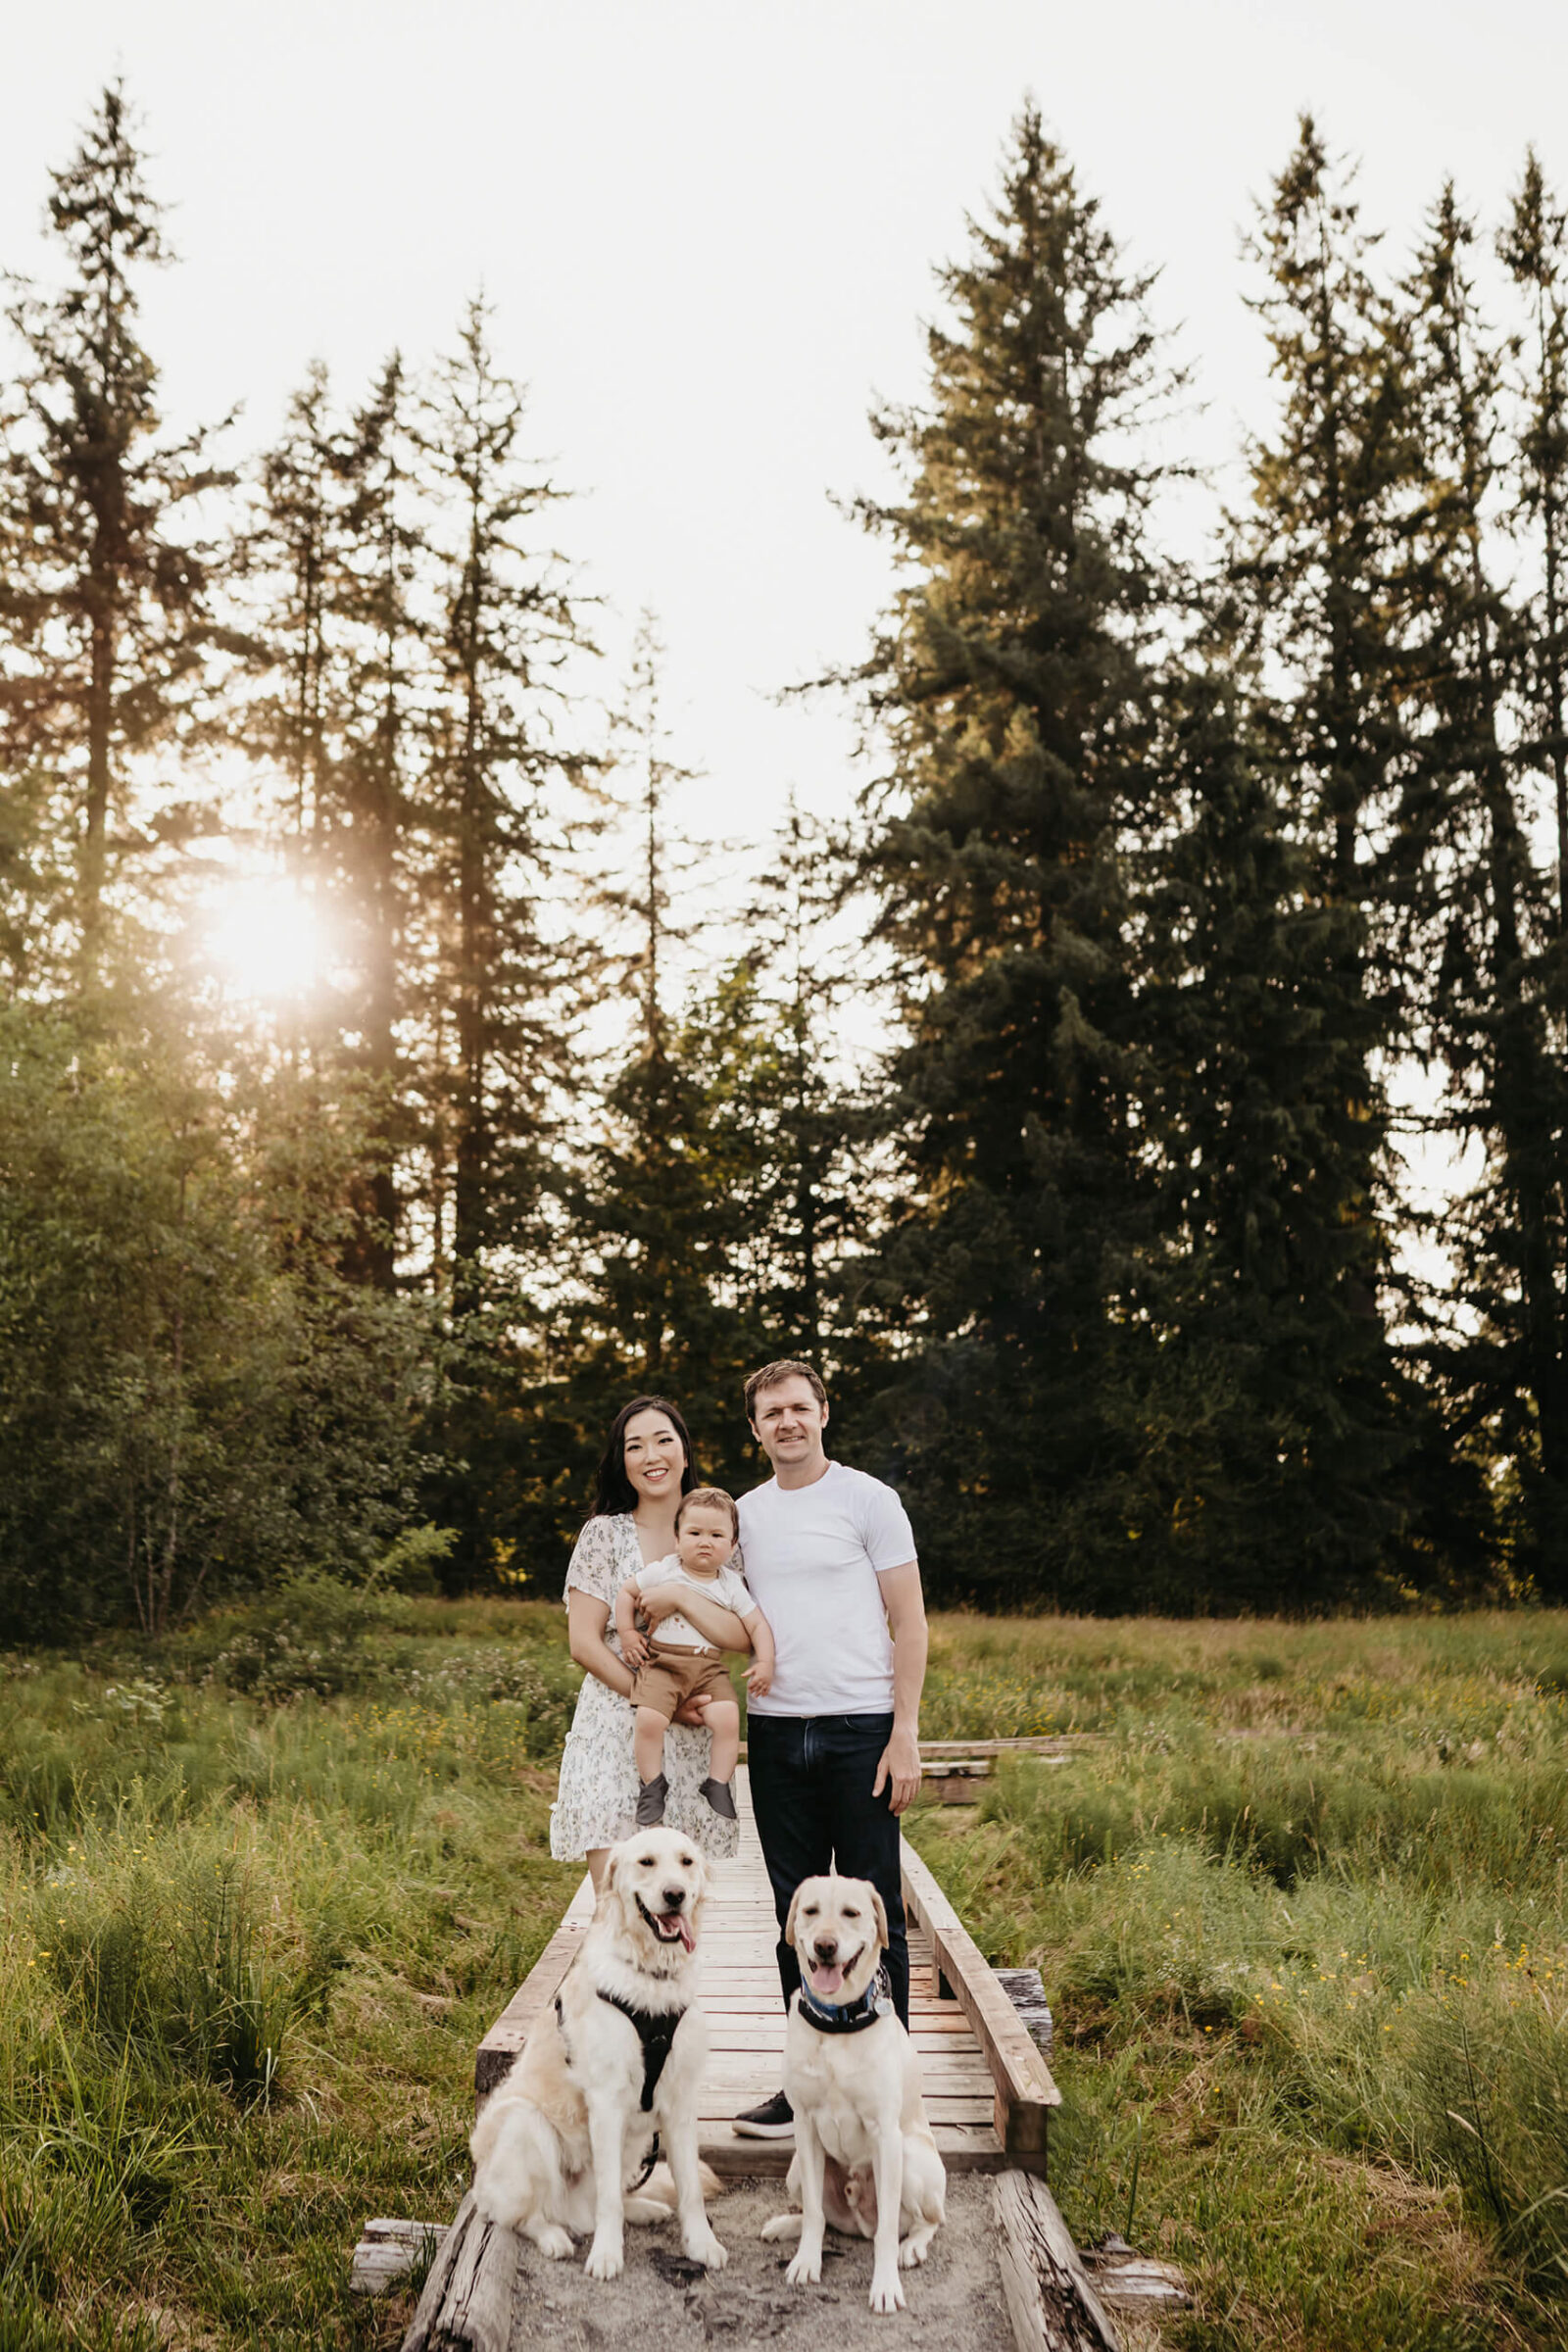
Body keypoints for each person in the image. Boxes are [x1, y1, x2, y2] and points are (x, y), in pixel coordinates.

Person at [729, 1358, 928, 2140]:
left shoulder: (869, 1500)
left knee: (877, 1907)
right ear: (755, 1429)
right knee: (793, 1908)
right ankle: (799, 2087)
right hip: (775, 1732)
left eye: (798, 1409)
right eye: (771, 1413)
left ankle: (897, 2085)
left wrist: (903, 1733)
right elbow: (725, 1607)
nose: (786, 1422)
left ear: (822, 1414)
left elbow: (910, 1621)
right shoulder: (744, 1515)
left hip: (860, 1728)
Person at [550, 1397, 754, 1887]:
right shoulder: (604, 1535)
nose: (651, 1455)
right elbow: (584, 1642)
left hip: (689, 1737)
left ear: (685, 1452)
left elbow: (741, 1635)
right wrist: (652, 1697)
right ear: (622, 1461)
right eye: (634, 1445)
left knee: (676, 1911)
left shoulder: (718, 1535)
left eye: (663, 1440)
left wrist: (680, 1596)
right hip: (616, 1729)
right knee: (617, 1905)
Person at [615, 1486, 775, 1827]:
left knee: (728, 1718)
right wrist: (629, 1633)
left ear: (732, 1546)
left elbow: (758, 1626)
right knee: (649, 1721)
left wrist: (765, 1662)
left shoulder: (730, 1583)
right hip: (663, 1663)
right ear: (677, 1538)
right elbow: (626, 1593)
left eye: (717, 1535)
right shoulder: (665, 1570)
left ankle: (716, 1783)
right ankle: (652, 1784)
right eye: (695, 1533)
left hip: (708, 1669)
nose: (705, 1541)